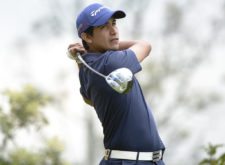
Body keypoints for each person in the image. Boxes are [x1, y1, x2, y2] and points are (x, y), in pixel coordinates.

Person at [68, 3, 165, 165]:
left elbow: (89, 99)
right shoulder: (110, 62)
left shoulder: (87, 65)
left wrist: (81, 57)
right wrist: (114, 44)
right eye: (104, 27)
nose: (114, 31)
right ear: (87, 37)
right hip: (129, 161)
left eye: (114, 24)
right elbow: (145, 46)